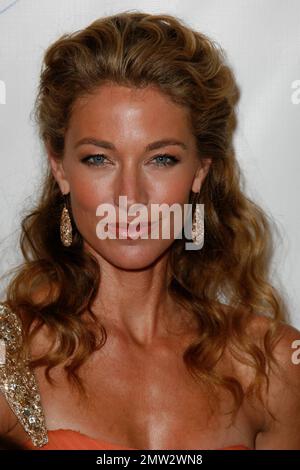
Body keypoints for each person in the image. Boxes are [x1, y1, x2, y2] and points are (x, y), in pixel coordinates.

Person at [0, 10, 300, 451]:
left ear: (200, 170)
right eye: (98, 159)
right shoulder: (10, 356)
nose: (130, 195)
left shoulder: (272, 363)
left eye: (161, 159)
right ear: (59, 168)